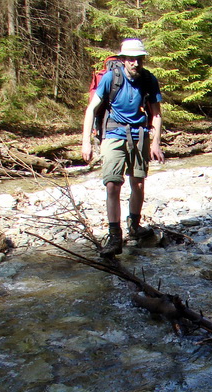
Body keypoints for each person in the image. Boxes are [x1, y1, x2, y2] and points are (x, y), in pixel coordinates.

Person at [81, 39, 165, 258]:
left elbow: (155, 114)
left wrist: (156, 142)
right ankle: (115, 235)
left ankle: (134, 226)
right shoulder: (111, 78)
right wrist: (86, 142)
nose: (135, 63)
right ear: (123, 60)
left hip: (139, 134)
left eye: (138, 59)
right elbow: (92, 109)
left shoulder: (148, 80)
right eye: (130, 59)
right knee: (112, 185)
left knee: (137, 183)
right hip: (113, 134)